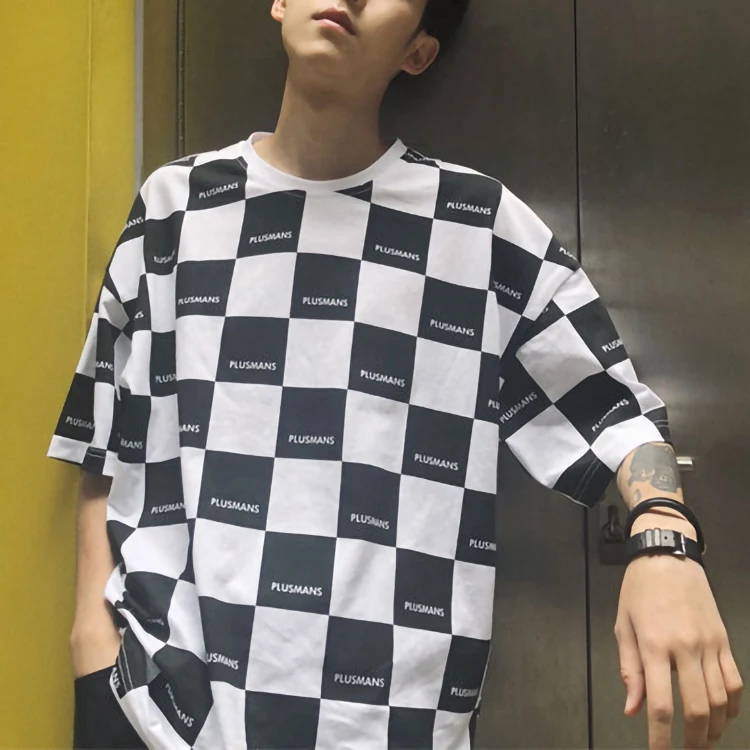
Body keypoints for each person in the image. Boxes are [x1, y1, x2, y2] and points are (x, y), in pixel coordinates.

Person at [49, 0, 743, 748]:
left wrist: (664, 540)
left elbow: (615, 413)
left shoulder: (477, 229)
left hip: (394, 724)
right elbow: (104, 438)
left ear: (418, 51)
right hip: (163, 716)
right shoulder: (175, 207)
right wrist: (93, 648)